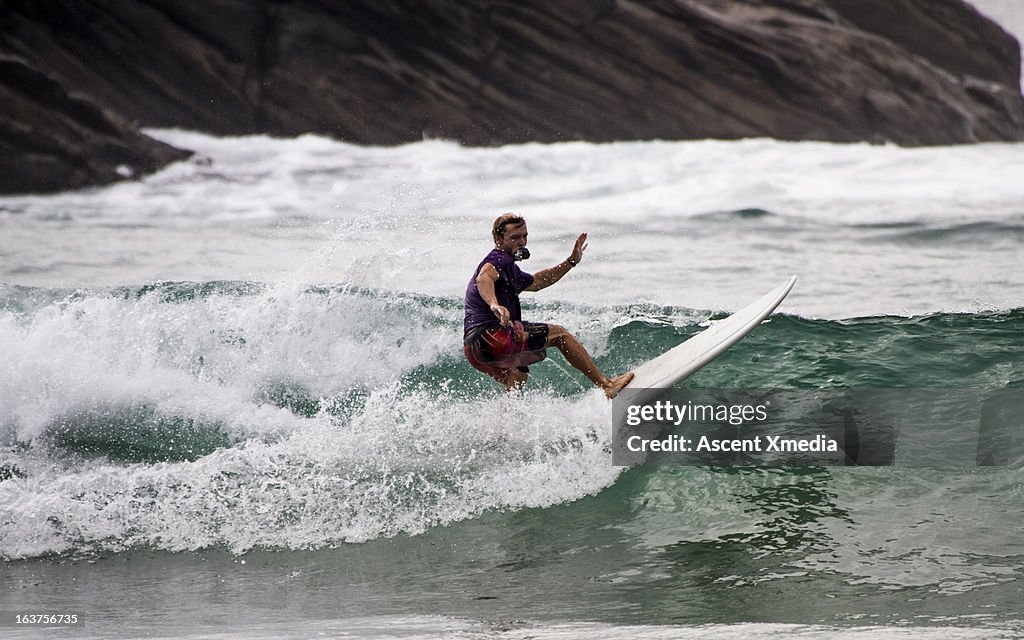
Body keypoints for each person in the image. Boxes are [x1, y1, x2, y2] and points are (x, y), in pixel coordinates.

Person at [464, 213, 634, 399]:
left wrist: (570, 262)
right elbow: (483, 279)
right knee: (560, 335)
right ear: (498, 239)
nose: (521, 242)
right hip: (492, 336)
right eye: (514, 238)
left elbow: (536, 282)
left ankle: (505, 427)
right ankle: (607, 385)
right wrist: (494, 304)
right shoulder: (498, 260)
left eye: (524, 236)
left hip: (473, 348)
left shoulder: (509, 267)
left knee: (518, 376)